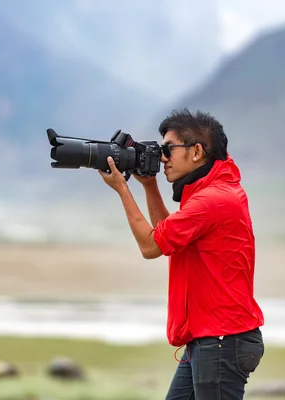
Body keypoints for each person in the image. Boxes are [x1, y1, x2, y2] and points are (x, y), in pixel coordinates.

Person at [98, 108, 265, 400]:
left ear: (197, 151)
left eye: (168, 149)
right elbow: (168, 238)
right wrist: (149, 186)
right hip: (210, 338)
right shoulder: (214, 193)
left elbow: (151, 247)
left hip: (221, 340)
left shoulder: (211, 201)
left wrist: (122, 189)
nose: (162, 158)